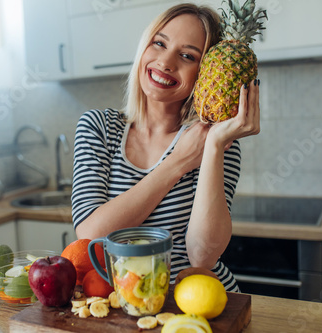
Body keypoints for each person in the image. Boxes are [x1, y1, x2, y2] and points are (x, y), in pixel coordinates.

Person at [71, 3, 260, 292]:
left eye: (187, 55)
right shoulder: (99, 127)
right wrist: (178, 162)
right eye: (159, 43)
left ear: (207, 71)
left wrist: (213, 146)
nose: (166, 62)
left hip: (197, 302)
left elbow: (203, 256)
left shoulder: (218, 143)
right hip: (126, 305)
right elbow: (91, 236)